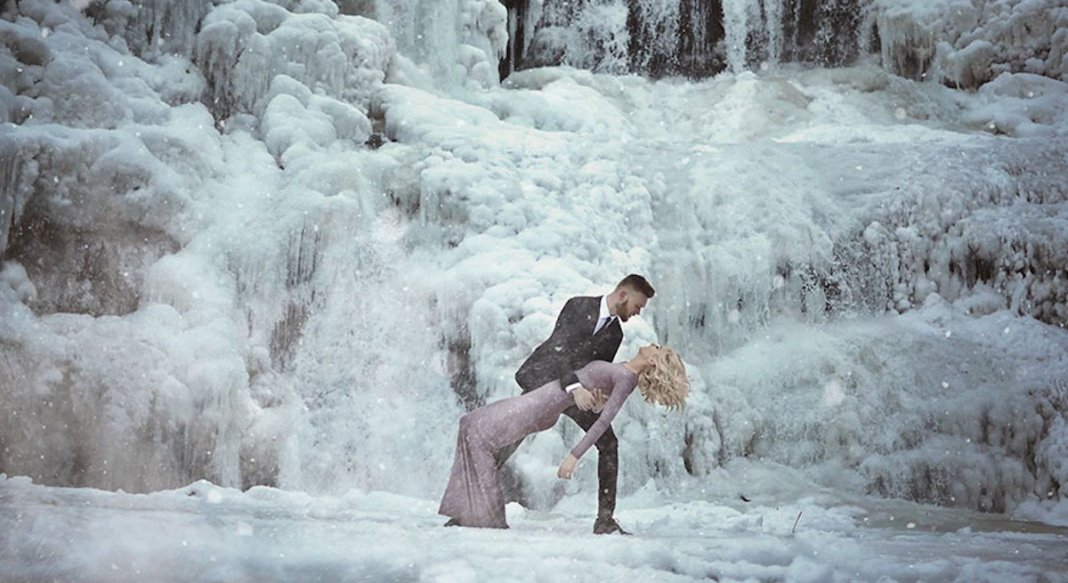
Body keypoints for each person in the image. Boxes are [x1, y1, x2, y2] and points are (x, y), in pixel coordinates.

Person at [438, 345, 687, 530]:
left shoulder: (626, 378)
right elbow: (596, 404)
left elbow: (602, 423)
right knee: (471, 427)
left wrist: (573, 456)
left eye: (657, 348)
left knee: (475, 429)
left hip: (541, 406)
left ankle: (482, 518)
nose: (653, 345)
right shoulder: (623, 368)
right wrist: (595, 403)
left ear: (654, 361)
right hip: (541, 399)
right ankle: (476, 514)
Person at [509, 274, 655, 535]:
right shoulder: (578, 306)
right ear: (623, 295)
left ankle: (605, 520)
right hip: (545, 379)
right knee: (510, 434)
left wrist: (597, 397)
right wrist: (575, 388)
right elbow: (558, 350)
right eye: (637, 305)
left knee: (609, 443)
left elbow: (594, 370)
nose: (637, 312)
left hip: (574, 391)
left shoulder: (615, 334)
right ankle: (467, 508)